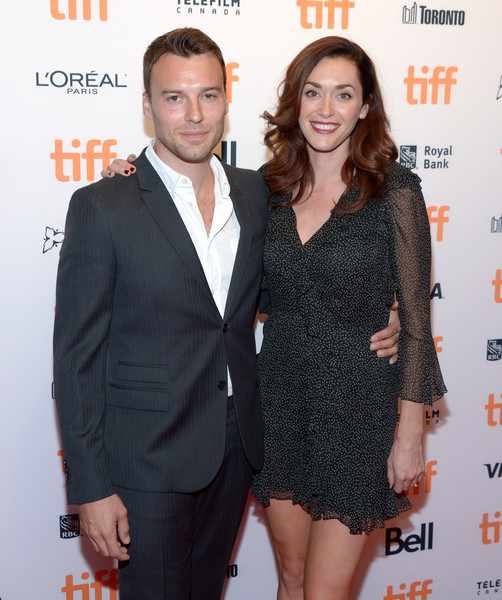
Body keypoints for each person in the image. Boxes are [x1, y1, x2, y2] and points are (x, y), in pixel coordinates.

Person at [91, 29, 401, 600]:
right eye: (174, 97)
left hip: (295, 430)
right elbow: (83, 356)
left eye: (208, 96)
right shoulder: (120, 202)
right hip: (205, 436)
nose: (193, 114)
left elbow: (340, 292)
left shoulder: (294, 192)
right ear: (147, 105)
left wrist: (395, 321)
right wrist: (127, 182)